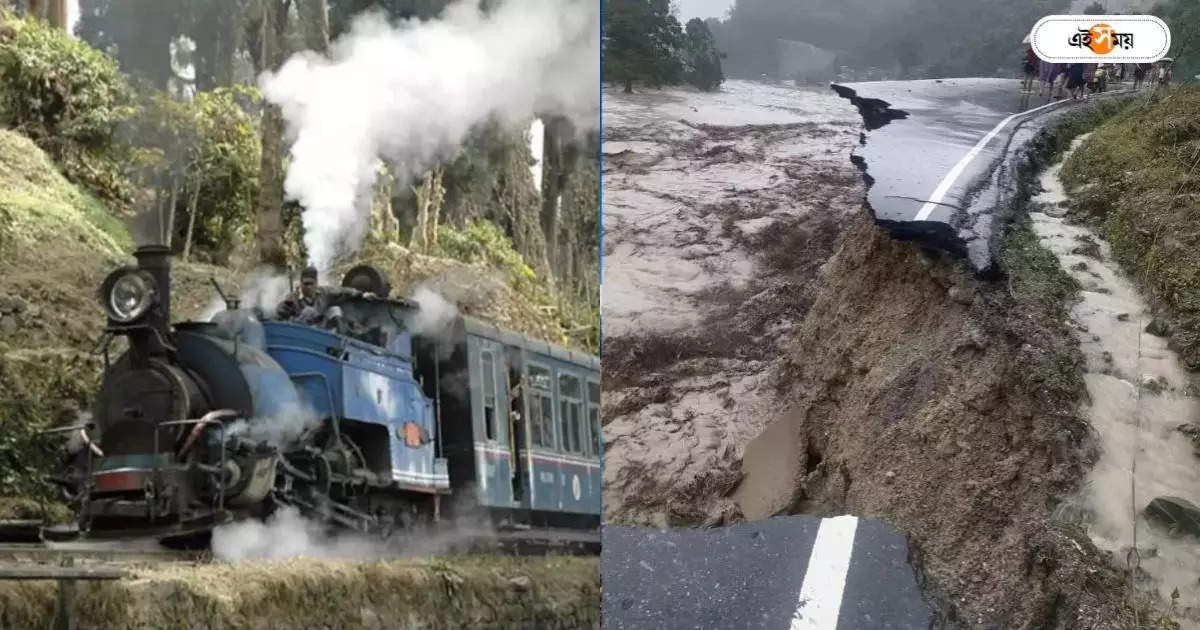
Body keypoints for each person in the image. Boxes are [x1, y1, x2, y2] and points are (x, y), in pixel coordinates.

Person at [276, 266, 376, 331]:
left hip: (320, 330)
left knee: (335, 310)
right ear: (301, 283)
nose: (309, 287)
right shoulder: (293, 297)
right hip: (300, 332)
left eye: (311, 284)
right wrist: (285, 309)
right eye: (306, 284)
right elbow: (280, 314)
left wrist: (362, 294)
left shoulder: (324, 292)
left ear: (316, 283)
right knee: (308, 311)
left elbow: (343, 291)